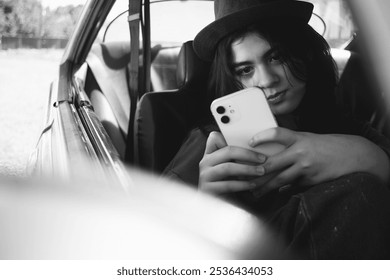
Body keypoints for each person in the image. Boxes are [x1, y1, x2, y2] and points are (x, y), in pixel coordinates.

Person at [163, 0, 390, 259]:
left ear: (305, 54)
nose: (267, 80)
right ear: (232, 78)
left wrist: (370, 155)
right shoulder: (211, 144)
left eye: (276, 57)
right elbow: (147, 235)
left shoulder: (342, 125)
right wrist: (203, 208)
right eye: (245, 69)